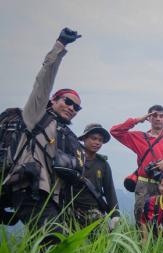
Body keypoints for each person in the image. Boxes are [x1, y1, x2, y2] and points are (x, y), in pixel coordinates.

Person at [2, 28, 85, 235]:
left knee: (41, 248)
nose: (72, 108)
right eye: (68, 102)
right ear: (53, 100)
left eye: (77, 107)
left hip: (51, 197)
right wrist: (60, 46)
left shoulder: (65, 133)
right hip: (29, 191)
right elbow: (43, 81)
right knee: (57, 241)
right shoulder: (36, 115)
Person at [110, 105, 163, 225]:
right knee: (140, 217)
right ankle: (140, 243)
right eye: (154, 115)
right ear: (149, 118)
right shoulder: (139, 137)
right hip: (143, 184)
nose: (158, 118)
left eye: (161, 116)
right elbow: (115, 131)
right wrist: (137, 120)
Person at [71, 124, 119, 228]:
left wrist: (115, 215)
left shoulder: (103, 164)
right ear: (84, 138)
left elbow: (109, 191)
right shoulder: (73, 159)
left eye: (100, 140)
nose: (97, 142)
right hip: (71, 210)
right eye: (93, 138)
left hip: (95, 212)